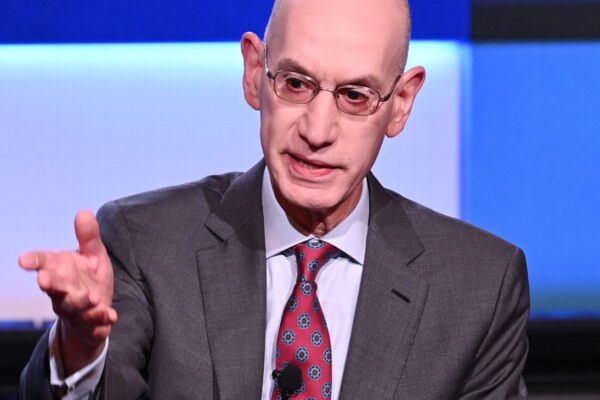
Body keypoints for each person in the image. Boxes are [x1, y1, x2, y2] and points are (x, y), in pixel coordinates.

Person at [18, 0, 530, 398]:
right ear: (253, 73)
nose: (317, 131)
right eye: (296, 83)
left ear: (401, 103)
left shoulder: (479, 288)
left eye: (355, 96)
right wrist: (81, 348)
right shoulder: (147, 244)